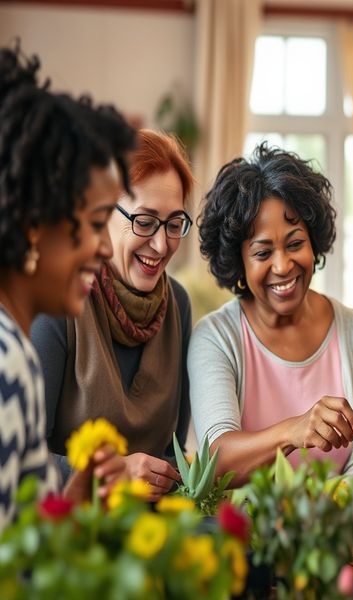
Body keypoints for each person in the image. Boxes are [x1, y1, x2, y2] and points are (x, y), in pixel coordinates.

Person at [189, 143, 353, 493]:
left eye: (295, 244)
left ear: (313, 243)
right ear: (238, 261)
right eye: (263, 252)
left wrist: (326, 506)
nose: (283, 266)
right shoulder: (216, 338)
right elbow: (215, 461)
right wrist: (294, 430)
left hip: (335, 537)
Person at [0, 44, 134, 527]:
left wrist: (72, 501)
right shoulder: (8, 360)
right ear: (36, 223)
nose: (105, 247)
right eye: (98, 223)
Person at [31, 129, 194, 500]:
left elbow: (174, 454)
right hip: (66, 533)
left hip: (148, 536)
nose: (161, 243)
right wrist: (111, 474)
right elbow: (19, 460)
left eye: (174, 223)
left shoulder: (179, 306)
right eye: (145, 221)